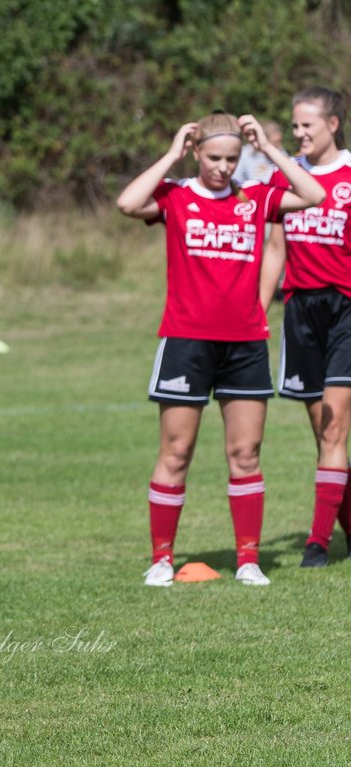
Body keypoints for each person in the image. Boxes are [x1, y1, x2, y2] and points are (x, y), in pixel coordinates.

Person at [117, 111, 326, 587]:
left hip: (247, 342)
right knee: (176, 450)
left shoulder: (254, 198)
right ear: (196, 153)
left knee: (246, 452)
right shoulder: (176, 195)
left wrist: (268, 150)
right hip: (186, 341)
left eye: (232, 158)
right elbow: (127, 203)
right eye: (214, 157)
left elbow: (314, 194)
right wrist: (171, 154)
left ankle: (248, 560)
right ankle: (161, 559)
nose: (223, 168)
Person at [259, 87, 351, 567]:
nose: (298, 134)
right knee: (322, 433)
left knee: (336, 431)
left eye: (307, 126)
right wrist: (257, 309)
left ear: (333, 125)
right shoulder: (285, 176)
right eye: (293, 126)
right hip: (299, 310)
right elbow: (276, 250)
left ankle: (317, 542)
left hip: (346, 311)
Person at [234, 120, 287, 184]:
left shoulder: (281, 152)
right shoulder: (245, 154)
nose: (279, 146)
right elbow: (236, 180)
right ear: (263, 139)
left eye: (280, 142)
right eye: (275, 143)